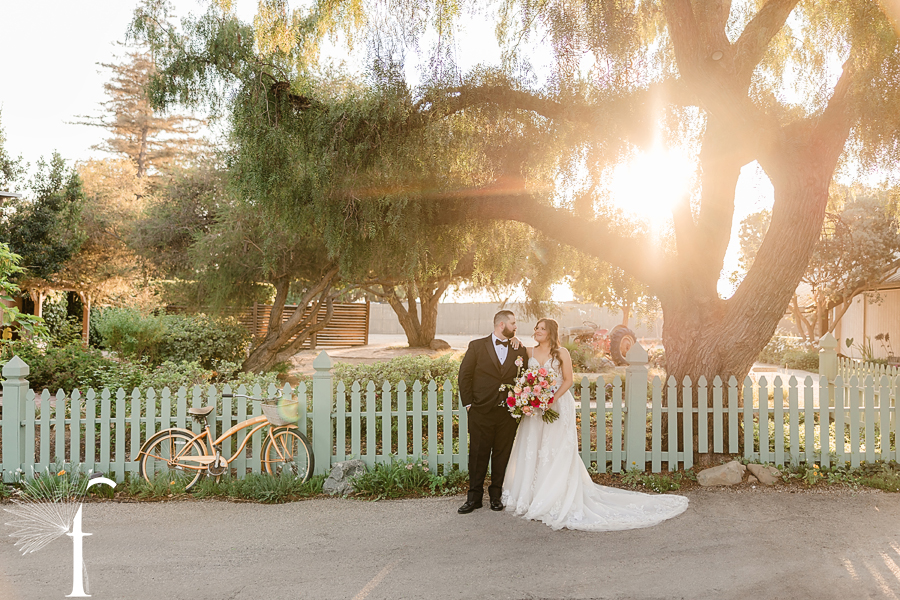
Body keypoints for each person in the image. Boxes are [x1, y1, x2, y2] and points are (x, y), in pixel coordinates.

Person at [502, 318, 688, 531]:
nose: (537, 331)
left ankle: (554, 493)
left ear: (551, 332)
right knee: (534, 447)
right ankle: (533, 494)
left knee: (556, 448)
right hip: (536, 409)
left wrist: (551, 399)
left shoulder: (562, 353)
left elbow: (568, 380)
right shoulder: (529, 352)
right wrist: (514, 342)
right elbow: (519, 364)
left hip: (558, 405)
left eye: (542, 328)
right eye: (536, 328)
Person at [457, 310, 530, 514]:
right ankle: (474, 498)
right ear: (501, 325)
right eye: (513, 323)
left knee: (501, 454)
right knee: (478, 454)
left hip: (508, 412)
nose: (516, 326)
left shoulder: (519, 349)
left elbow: (524, 377)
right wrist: (469, 404)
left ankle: (496, 496)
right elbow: (465, 375)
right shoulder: (477, 346)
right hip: (481, 410)